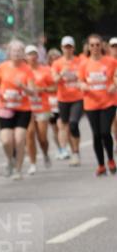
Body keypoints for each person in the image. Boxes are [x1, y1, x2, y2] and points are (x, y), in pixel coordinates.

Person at [78, 33, 117, 175]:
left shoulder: (111, 61)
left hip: (108, 102)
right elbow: (80, 80)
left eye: (97, 44)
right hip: (91, 103)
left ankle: (111, 160)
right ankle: (101, 165)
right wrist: (82, 85)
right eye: (92, 45)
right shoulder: (84, 64)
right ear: (88, 47)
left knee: (105, 132)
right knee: (96, 134)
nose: (95, 47)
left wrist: (114, 84)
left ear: (102, 46)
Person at [0, 40, 35, 179]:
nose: (16, 54)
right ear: (9, 53)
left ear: (23, 53)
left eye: (19, 51)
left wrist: (23, 87)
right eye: (14, 51)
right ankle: (10, 160)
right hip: (5, 107)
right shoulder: (3, 67)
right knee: (6, 141)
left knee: (19, 139)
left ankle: (18, 170)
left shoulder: (27, 69)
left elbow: (32, 91)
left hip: (22, 108)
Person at [51, 36, 84, 166]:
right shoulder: (57, 63)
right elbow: (54, 80)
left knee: (73, 123)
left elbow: (84, 76)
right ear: (62, 48)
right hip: (63, 98)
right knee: (64, 125)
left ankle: (75, 152)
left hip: (77, 97)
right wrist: (61, 74)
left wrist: (78, 77)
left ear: (73, 48)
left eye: (70, 47)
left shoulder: (80, 61)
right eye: (66, 47)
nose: (68, 49)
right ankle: (68, 149)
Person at [24, 44, 55, 173]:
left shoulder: (45, 70)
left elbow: (54, 88)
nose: (32, 57)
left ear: (37, 56)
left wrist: (42, 89)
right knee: (30, 135)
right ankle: (32, 163)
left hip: (42, 106)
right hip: (27, 107)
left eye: (34, 54)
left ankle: (45, 153)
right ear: (25, 57)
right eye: (29, 54)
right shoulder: (22, 71)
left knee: (42, 138)